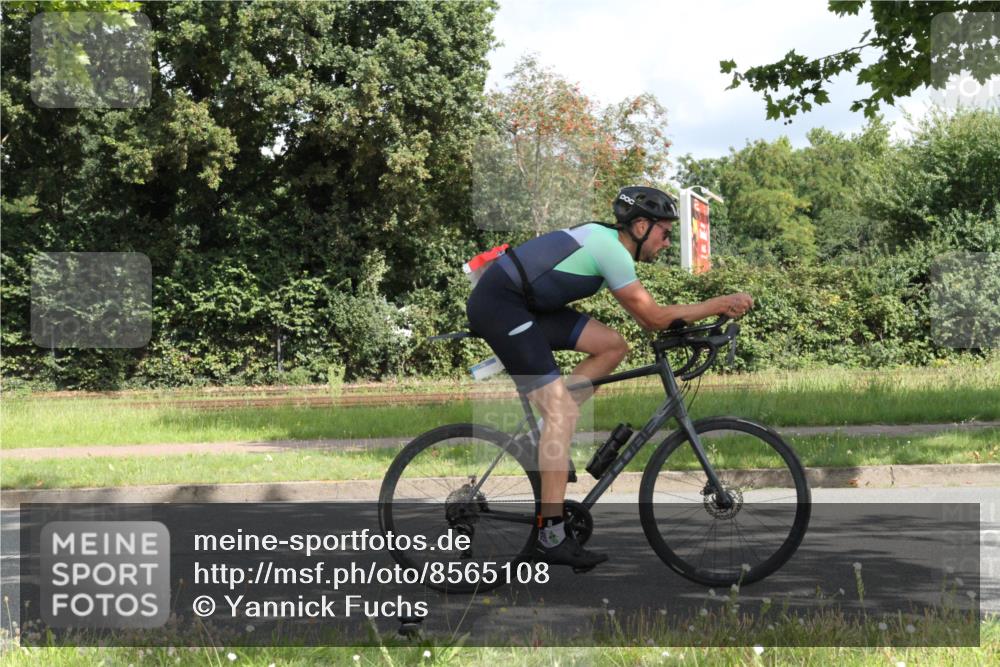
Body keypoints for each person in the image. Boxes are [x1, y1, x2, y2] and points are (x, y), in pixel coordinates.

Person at [466, 186, 753, 571]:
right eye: (664, 233)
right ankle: (550, 537)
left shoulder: (608, 243)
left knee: (613, 346)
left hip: (524, 305)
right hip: (500, 306)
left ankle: (547, 432)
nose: (667, 243)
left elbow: (652, 322)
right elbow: (651, 317)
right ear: (639, 225)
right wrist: (717, 304)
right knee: (563, 414)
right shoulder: (611, 251)